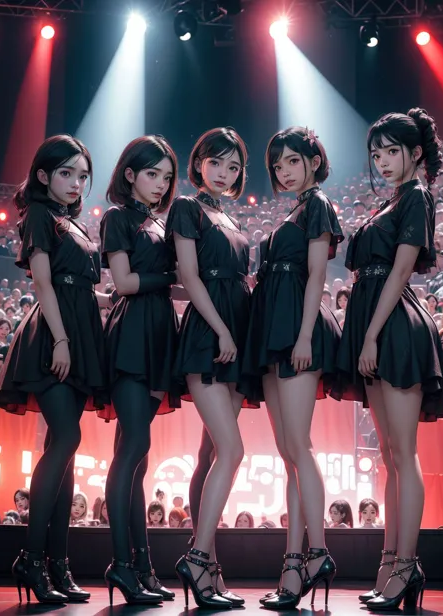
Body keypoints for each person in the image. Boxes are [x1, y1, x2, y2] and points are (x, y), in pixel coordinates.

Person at [336, 109, 443, 611]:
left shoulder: (419, 197)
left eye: (392, 151)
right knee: (389, 458)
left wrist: (372, 336)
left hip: (395, 331)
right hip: (375, 326)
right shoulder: (394, 199)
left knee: (404, 457)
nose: (382, 160)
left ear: (415, 153)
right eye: (377, 152)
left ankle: (405, 566)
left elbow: (402, 270)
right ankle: (390, 564)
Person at [0, 134, 109, 604]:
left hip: (80, 333)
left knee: (65, 450)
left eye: (82, 175)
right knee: (66, 440)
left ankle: (57, 565)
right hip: (53, 336)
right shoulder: (40, 214)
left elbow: (82, 286)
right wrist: (61, 339)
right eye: (66, 173)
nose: (76, 183)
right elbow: (43, 283)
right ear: (43, 175)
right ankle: (32, 556)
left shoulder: (72, 222)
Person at [243, 127, 343, 610]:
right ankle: (293, 560)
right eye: (277, 165)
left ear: (312, 160)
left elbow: (318, 276)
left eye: (291, 161)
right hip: (272, 327)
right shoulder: (297, 208)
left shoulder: (319, 204)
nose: (283, 171)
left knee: (299, 448)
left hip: (296, 331)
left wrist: (304, 335)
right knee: (288, 452)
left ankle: (317, 553)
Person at [166, 127, 255, 609]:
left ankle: (210, 565)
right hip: (209, 335)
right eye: (216, 162)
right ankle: (197, 558)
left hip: (239, 335)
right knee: (233, 450)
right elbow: (189, 276)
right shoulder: (187, 207)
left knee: (211, 456)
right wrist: (221, 329)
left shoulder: (229, 215)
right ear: (198, 162)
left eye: (234, 166)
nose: (224, 172)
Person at [99, 136, 180, 606]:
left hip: (157, 334)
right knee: (133, 451)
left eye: (167, 176)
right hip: (132, 335)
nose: (161, 183)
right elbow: (124, 283)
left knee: (138, 458)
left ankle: (141, 566)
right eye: (153, 173)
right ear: (130, 174)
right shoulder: (117, 217)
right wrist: (173, 277)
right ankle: (122, 564)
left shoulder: (158, 220)